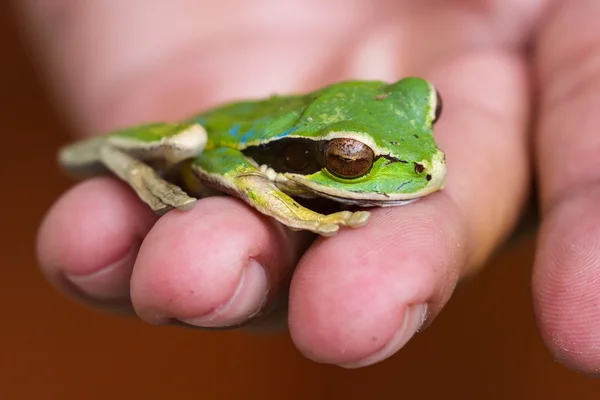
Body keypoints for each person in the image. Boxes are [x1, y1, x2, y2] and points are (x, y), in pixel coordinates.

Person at [24, 0, 600, 372]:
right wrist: (299, 213)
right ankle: (133, 167)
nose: (433, 165)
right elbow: (223, 164)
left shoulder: (415, 150)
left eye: (431, 112)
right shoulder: (267, 156)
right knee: (184, 145)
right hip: (228, 137)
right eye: (352, 157)